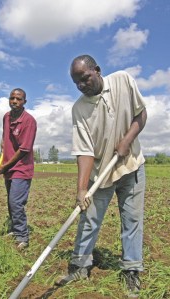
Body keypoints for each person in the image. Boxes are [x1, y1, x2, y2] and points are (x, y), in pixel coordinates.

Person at [56, 55, 147, 297]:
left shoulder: (123, 81)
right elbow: (84, 151)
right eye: (76, 83)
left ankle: (132, 270)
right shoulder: (79, 109)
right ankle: (79, 266)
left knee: (132, 221)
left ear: (97, 70)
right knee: (89, 220)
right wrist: (82, 189)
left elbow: (141, 114)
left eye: (84, 78)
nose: (81, 86)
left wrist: (127, 141)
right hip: (101, 174)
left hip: (131, 166)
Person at [0, 88, 37, 250]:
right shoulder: (6, 117)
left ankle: (23, 237)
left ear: (24, 102)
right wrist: (2, 142)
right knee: (10, 202)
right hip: (9, 167)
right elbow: (5, 133)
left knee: (16, 202)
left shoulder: (29, 121)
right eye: (12, 98)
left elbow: (24, 149)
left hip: (21, 167)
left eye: (18, 99)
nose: (14, 101)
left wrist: (5, 166)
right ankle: (15, 230)